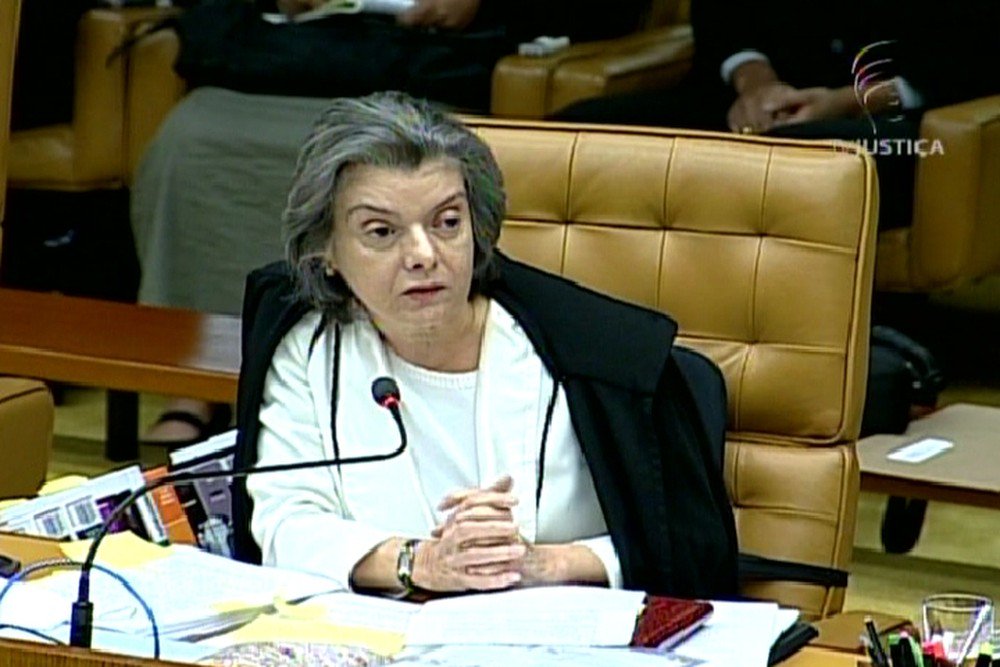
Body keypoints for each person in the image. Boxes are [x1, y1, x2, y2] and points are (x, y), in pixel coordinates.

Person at [230, 91, 738, 597]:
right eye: (382, 231)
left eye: (447, 223)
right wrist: (420, 562)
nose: (423, 255)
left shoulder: (590, 361)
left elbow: (685, 548)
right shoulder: (307, 347)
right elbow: (283, 520)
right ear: (326, 251)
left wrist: (541, 563)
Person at [135, 0, 650, 444]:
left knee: (413, 173)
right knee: (190, 139)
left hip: (429, 70)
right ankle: (197, 375)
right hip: (293, 60)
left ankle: (417, 376)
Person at [555, 0, 1000, 231]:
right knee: (576, 136)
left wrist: (845, 101)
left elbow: (968, 63)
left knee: (802, 161)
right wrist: (756, 84)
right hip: (751, 100)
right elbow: (722, 21)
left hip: (900, 120)